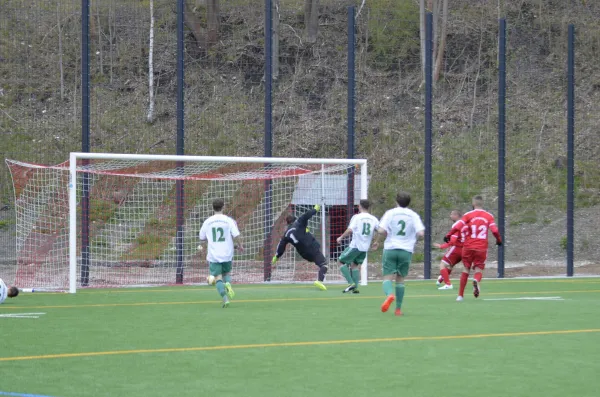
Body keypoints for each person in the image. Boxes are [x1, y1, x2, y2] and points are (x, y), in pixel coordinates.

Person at [374, 192, 425, 316]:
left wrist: (378, 237)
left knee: (387, 277)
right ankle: (398, 309)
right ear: (408, 202)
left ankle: (389, 295)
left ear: (396, 201)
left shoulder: (390, 213)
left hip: (391, 248)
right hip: (406, 250)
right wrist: (414, 239)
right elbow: (421, 234)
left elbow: (381, 230)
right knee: (400, 280)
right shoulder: (413, 215)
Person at [445, 195, 502, 301]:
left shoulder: (468, 215)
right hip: (481, 247)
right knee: (479, 269)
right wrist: (499, 240)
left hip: (468, 246)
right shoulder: (488, 216)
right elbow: (494, 231)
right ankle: (476, 280)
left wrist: (448, 235)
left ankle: (460, 296)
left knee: (466, 268)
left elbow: (458, 226)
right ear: (482, 203)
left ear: (473, 204)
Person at [199, 198, 244, 308]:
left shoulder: (208, 221)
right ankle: (228, 283)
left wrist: (204, 244)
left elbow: (202, 237)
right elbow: (236, 235)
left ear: (212, 207)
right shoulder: (229, 220)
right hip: (227, 253)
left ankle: (225, 299)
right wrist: (240, 245)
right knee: (226, 274)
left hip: (214, 255)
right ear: (223, 207)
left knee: (218, 278)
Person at [272, 204, 328, 291]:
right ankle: (319, 281)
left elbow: (281, 245)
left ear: (287, 224)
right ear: (295, 220)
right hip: (311, 248)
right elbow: (306, 215)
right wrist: (315, 209)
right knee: (324, 264)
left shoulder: (286, 234)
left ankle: (319, 272)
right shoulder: (299, 222)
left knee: (306, 234)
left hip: (304, 254)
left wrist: (276, 256)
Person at [336, 199, 379, 294]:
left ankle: (351, 283)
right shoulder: (374, 219)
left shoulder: (357, 217)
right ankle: (355, 289)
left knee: (340, 261)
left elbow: (350, 230)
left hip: (355, 246)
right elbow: (379, 230)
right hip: (365, 248)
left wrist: (341, 237)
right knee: (354, 265)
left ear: (359, 206)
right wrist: (376, 241)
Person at [433, 210, 464, 290]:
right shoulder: (464, 223)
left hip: (456, 248)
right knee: (450, 266)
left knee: (442, 265)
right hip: (464, 249)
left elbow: (453, 241)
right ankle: (440, 279)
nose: (450, 216)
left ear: (456, 215)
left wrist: (441, 246)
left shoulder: (456, 225)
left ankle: (448, 284)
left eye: (451, 214)